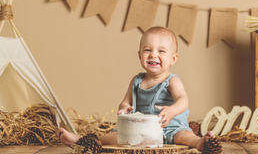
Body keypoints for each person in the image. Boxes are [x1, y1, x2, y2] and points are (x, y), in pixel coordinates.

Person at [58, 26, 213, 151]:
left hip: (170, 127)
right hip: (140, 130)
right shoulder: (137, 80)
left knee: (184, 135)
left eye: (161, 51)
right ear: (140, 55)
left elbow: (183, 100)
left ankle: (200, 143)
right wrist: (125, 109)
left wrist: (171, 111)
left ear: (173, 59)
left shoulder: (172, 80)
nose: (153, 55)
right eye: (147, 50)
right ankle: (83, 141)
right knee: (115, 137)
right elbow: (124, 102)